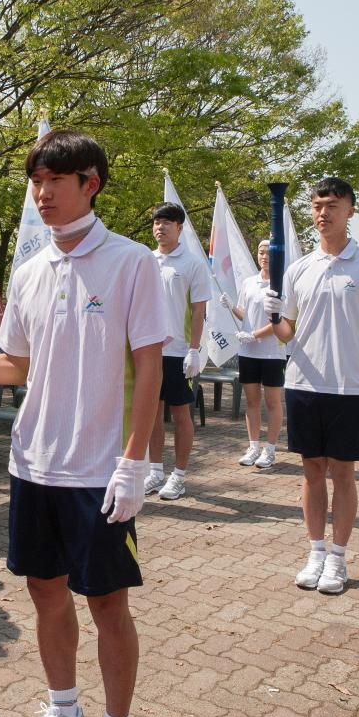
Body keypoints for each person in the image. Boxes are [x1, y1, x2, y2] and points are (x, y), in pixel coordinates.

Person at [0, 130, 168, 717]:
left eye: (56, 180)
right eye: (37, 182)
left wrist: (135, 463)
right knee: (44, 589)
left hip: (100, 470)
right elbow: (17, 366)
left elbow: (151, 366)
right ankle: (63, 706)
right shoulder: (29, 271)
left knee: (107, 602)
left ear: (90, 185)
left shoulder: (131, 262)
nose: (43, 193)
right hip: (34, 464)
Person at [263, 177, 359, 595]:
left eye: (332, 205)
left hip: (349, 388)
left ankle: (339, 558)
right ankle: (316, 551)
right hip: (303, 384)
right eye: (317, 205)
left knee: (342, 472)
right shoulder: (299, 267)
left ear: (349, 211)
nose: (323, 213)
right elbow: (288, 334)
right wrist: (274, 316)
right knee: (310, 472)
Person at [144, 201, 209, 501]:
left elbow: (198, 312)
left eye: (166, 222)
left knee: (181, 414)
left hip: (178, 351)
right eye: (157, 222)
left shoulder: (192, 264)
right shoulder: (146, 260)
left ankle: (179, 476)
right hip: (148, 350)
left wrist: (194, 350)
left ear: (179, 228)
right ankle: (155, 471)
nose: (160, 227)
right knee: (151, 413)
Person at [223, 240, 288, 469]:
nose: (264, 256)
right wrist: (231, 306)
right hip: (248, 352)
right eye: (261, 252)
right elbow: (246, 315)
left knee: (272, 401)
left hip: (272, 352)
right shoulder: (249, 283)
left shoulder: (281, 284)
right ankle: (253, 446)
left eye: (269, 253)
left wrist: (255, 335)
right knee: (251, 401)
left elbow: (279, 321)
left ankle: (270, 449)